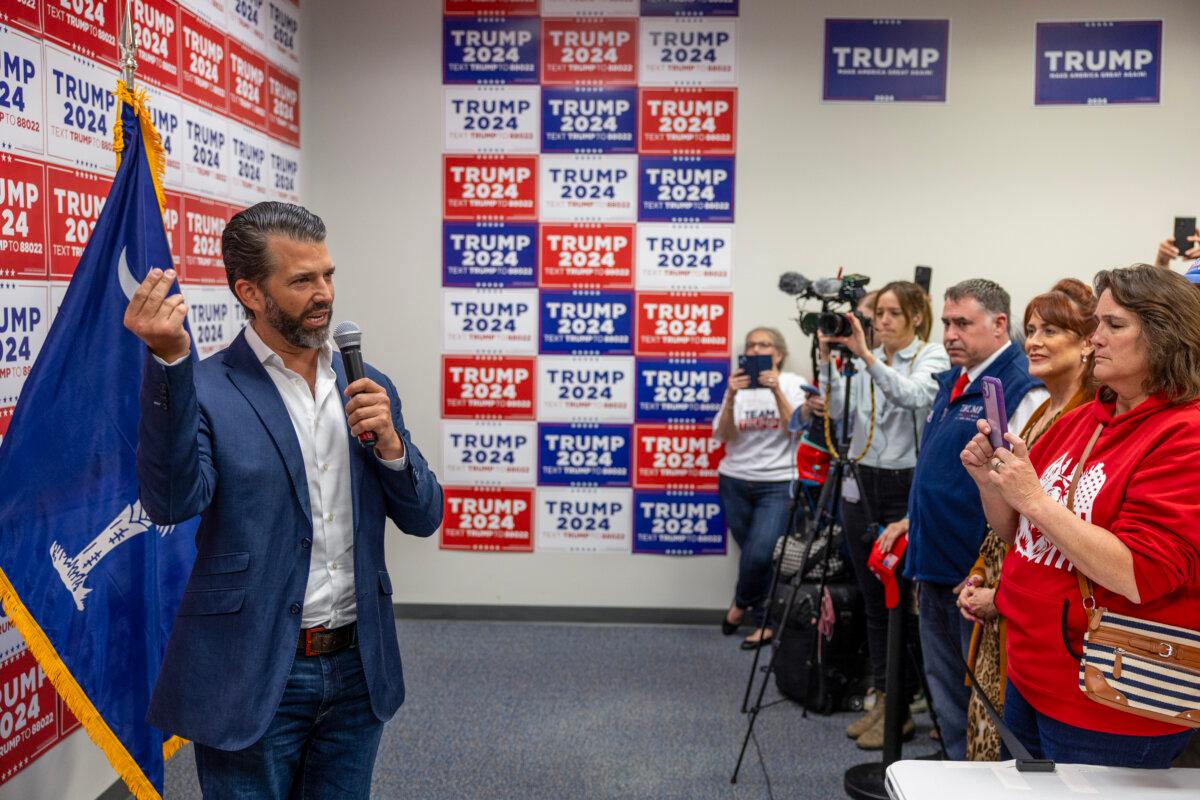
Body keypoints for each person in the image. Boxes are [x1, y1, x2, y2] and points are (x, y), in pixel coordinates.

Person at [125, 202, 444, 797]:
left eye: (327, 275)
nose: (324, 293)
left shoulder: (367, 385)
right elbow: (172, 502)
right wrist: (171, 361)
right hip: (252, 669)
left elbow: (424, 517)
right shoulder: (210, 387)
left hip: (357, 666)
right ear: (250, 291)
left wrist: (394, 445)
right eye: (302, 280)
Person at [962, 264, 1200, 768]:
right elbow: (1019, 535)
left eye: (1114, 326)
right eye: (1097, 324)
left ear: (1165, 335)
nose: (1095, 340)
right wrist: (993, 483)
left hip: (1108, 696)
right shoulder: (1085, 419)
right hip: (1030, 673)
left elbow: (1142, 573)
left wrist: (1034, 500)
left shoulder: (1185, 434)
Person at [890, 278, 1048, 760]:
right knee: (947, 699)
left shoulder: (1021, 387)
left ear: (1000, 324)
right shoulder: (956, 380)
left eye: (963, 323)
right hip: (933, 563)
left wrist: (987, 574)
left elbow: (1022, 488)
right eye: (946, 323)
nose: (951, 333)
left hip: (972, 575)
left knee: (983, 709)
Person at [956, 279, 1096, 760]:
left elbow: (1060, 533)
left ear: (1087, 344)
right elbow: (1016, 526)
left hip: (1046, 615)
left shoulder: (1088, 418)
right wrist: (983, 571)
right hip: (1010, 586)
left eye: (1051, 331)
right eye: (1030, 329)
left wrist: (1006, 595)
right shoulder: (1042, 412)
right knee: (1004, 751)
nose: (1033, 341)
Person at [816, 282, 949, 749]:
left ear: (916, 317)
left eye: (894, 314)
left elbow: (912, 398)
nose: (883, 322)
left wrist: (868, 359)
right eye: (878, 315)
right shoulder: (861, 360)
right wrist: (827, 362)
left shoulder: (929, 356)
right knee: (873, 600)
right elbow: (836, 411)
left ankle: (904, 702)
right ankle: (883, 699)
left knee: (902, 602)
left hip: (902, 485)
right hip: (860, 479)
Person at [714, 327, 811, 650]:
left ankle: (739, 605)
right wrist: (730, 398)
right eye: (750, 345)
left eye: (764, 345)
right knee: (757, 557)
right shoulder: (736, 386)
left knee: (760, 554)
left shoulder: (793, 383)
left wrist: (775, 392)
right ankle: (765, 621)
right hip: (735, 480)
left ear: (778, 354)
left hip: (778, 481)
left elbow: (795, 427)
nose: (755, 350)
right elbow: (725, 435)